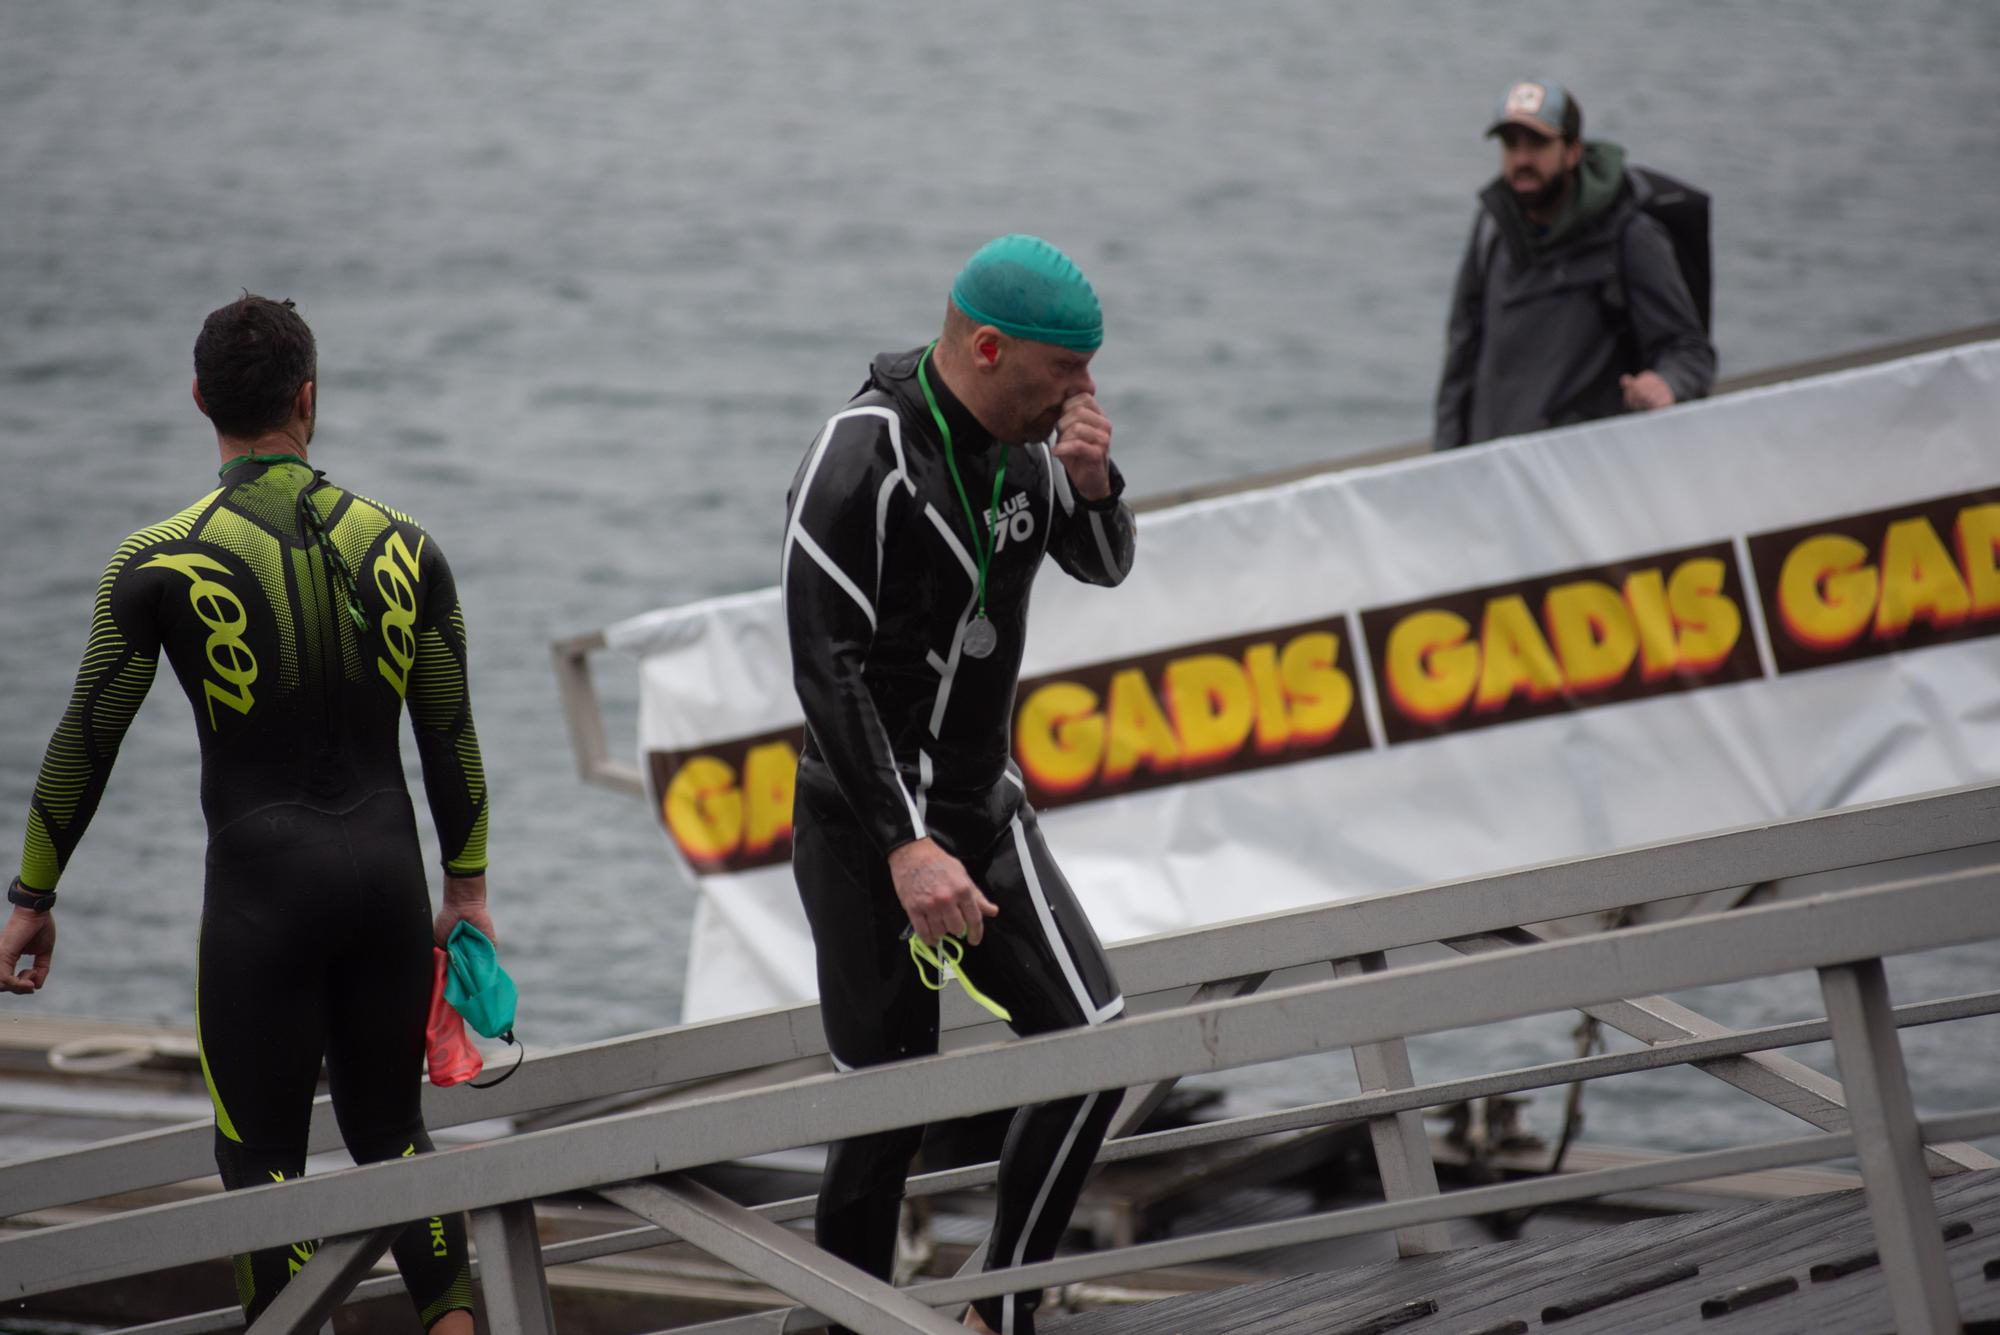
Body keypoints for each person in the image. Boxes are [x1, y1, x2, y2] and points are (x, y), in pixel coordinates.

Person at [0, 295, 493, 1331]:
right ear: (308, 399)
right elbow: (449, 732)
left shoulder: (156, 564)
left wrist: (33, 896)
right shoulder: (408, 546)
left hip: (262, 893)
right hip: (385, 883)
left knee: (264, 1161)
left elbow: (85, 738)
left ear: (198, 402)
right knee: (395, 1137)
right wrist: (468, 891)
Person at [782, 234, 1135, 1335]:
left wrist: (1093, 483)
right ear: (987, 348)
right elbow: (822, 666)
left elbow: (1104, 562)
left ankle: (999, 1314)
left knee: (1094, 1044)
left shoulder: (1035, 451)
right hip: (862, 831)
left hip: (979, 807)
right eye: (1062, 372)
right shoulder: (861, 456)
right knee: (886, 1119)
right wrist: (900, 848)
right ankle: (838, 1326)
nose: (1082, 394)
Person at [1434, 79, 1717, 450]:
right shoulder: (1492, 227)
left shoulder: (1628, 234)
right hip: (1496, 476)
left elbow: (1690, 351)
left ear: (1571, 152)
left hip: (1586, 475)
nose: (1521, 160)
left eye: (1537, 144)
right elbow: (1461, 360)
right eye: (1510, 144)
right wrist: (1445, 465)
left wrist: (1666, 385)